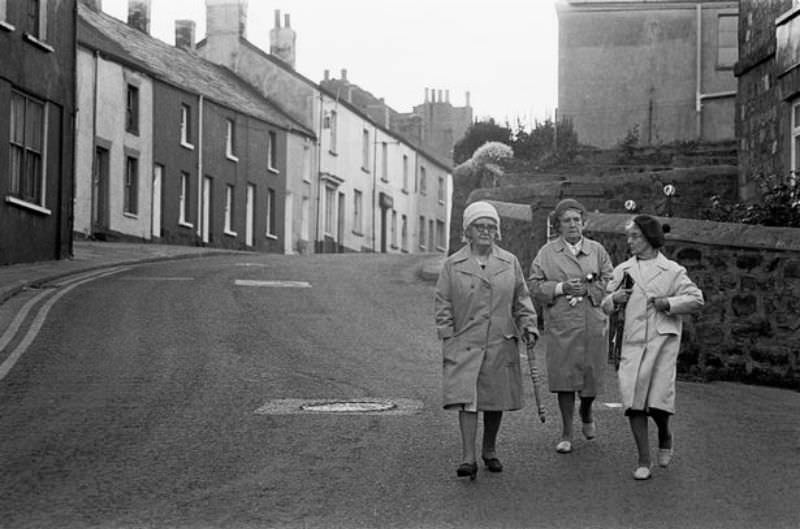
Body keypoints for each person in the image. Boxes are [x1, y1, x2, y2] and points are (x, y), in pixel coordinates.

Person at [434, 201, 538, 480]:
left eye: (491, 227)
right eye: (480, 226)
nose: (486, 231)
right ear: (468, 231)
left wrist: (529, 325)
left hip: (499, 341)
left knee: (494, 399)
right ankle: (468, 457)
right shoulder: (453, 264)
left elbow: (522, 298)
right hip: (465, 342)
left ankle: (489, 450)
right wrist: (448, 335)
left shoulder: (509, 262)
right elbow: (442, 302)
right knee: (468, 399)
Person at [601, 215, 704, 480]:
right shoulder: (623, 270)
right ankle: (643, 459)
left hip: (661, 345)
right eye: (629, 236)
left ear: (649, 238)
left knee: (657, 405)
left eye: (635, 236)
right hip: (631, 344)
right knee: (634, 404)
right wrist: (615, 298)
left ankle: (665, 433)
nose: (630, 241)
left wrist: (668, 303)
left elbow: (696, 299)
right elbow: (604, 304)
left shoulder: (672, 271)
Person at [528, 198, 613, 454]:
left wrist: (588, 289)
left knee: (591, 378)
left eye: (577, 219)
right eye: (567, 220)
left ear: (583, 222)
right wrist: (560, 288)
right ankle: (566, 432)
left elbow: (610, 280)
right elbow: (533, 285)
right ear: (558, 225)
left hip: (591, 325)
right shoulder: (547, 253)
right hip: (563, 325)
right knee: (564, 378)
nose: (573, 224)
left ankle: (586, 412)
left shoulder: (597, 250)